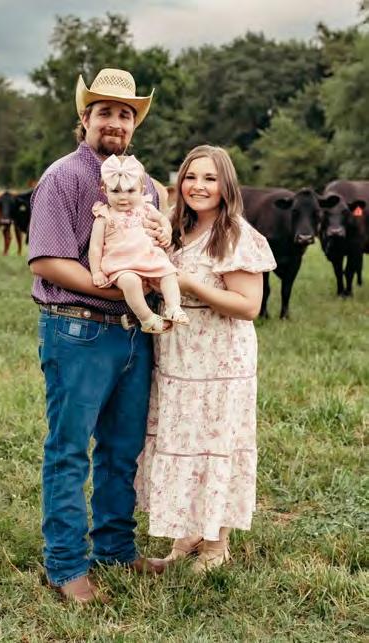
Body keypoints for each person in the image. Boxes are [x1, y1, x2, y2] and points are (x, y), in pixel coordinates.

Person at [28, 68, 171, 605]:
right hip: (79, 329)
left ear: (134, 125)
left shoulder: (144, 183)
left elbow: (153, 248)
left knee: (123, 449)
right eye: (105, 111)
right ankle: (66, 565)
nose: (115, 121)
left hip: (135, 332)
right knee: (69, 451)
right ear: (84, 118)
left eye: (125, 114)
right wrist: (117, 288)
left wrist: (162, 242)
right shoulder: (64, 177)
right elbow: (46, 260)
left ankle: (115, 548)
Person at [135, 145, 277, 572]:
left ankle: (216, 543)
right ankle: (188, 534)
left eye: (210, 179)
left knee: (215, 443)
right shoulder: (178, 227)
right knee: (184, 441)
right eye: (191, 177)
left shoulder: (234, 235)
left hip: (220, 357)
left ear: (226, 185)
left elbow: (249, 305)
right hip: (178, 355)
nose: (198, 186)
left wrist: (191, 285)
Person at [89, 153, 189, 333]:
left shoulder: (146, 208)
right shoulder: (104, 215)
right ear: (104, 191)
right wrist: (96, 271)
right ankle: (147, 318)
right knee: (131, 282)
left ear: (142, 190)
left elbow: (163, 220)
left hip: (149, 258)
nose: (123, 197)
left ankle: (173, 307)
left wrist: (165, 231)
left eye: (130, 191)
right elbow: (95, 246)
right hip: (121, 264)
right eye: (115, 191)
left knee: (169, 274)